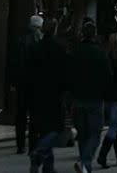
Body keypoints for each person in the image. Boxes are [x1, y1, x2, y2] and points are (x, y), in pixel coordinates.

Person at [66, 18, 112, 173]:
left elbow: (69, 75)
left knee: (83, 133)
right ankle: (85, 161)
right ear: (95, 35)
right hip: (95, 98)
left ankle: (85, 164)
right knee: (95, 133)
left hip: (78, 98)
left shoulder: (75, 52)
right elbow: (108, 77)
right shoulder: (100, 54)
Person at [25, 17, 67, 173]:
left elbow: (29, 71)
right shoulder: (59, 48)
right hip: (54, 94)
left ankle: (48, 166)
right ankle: (39, 151)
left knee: (44, 128)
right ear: (55, 30)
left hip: (38, 93)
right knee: (56, 128)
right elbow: (64, 73)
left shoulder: (36, 48)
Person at [9, 14, 43, 154]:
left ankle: (20, 144)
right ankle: (33, 145)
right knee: (34, 115)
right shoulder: (39, 40)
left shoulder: (21, 40)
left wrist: (13, 81)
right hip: (35, 84)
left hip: (22, 83)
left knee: (21, 115)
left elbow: (15, 62)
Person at [97, 32, 117, 168]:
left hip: (108, 96)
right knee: (114, 127)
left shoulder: (106, 58)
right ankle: (102, 156)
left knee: (116, 127)